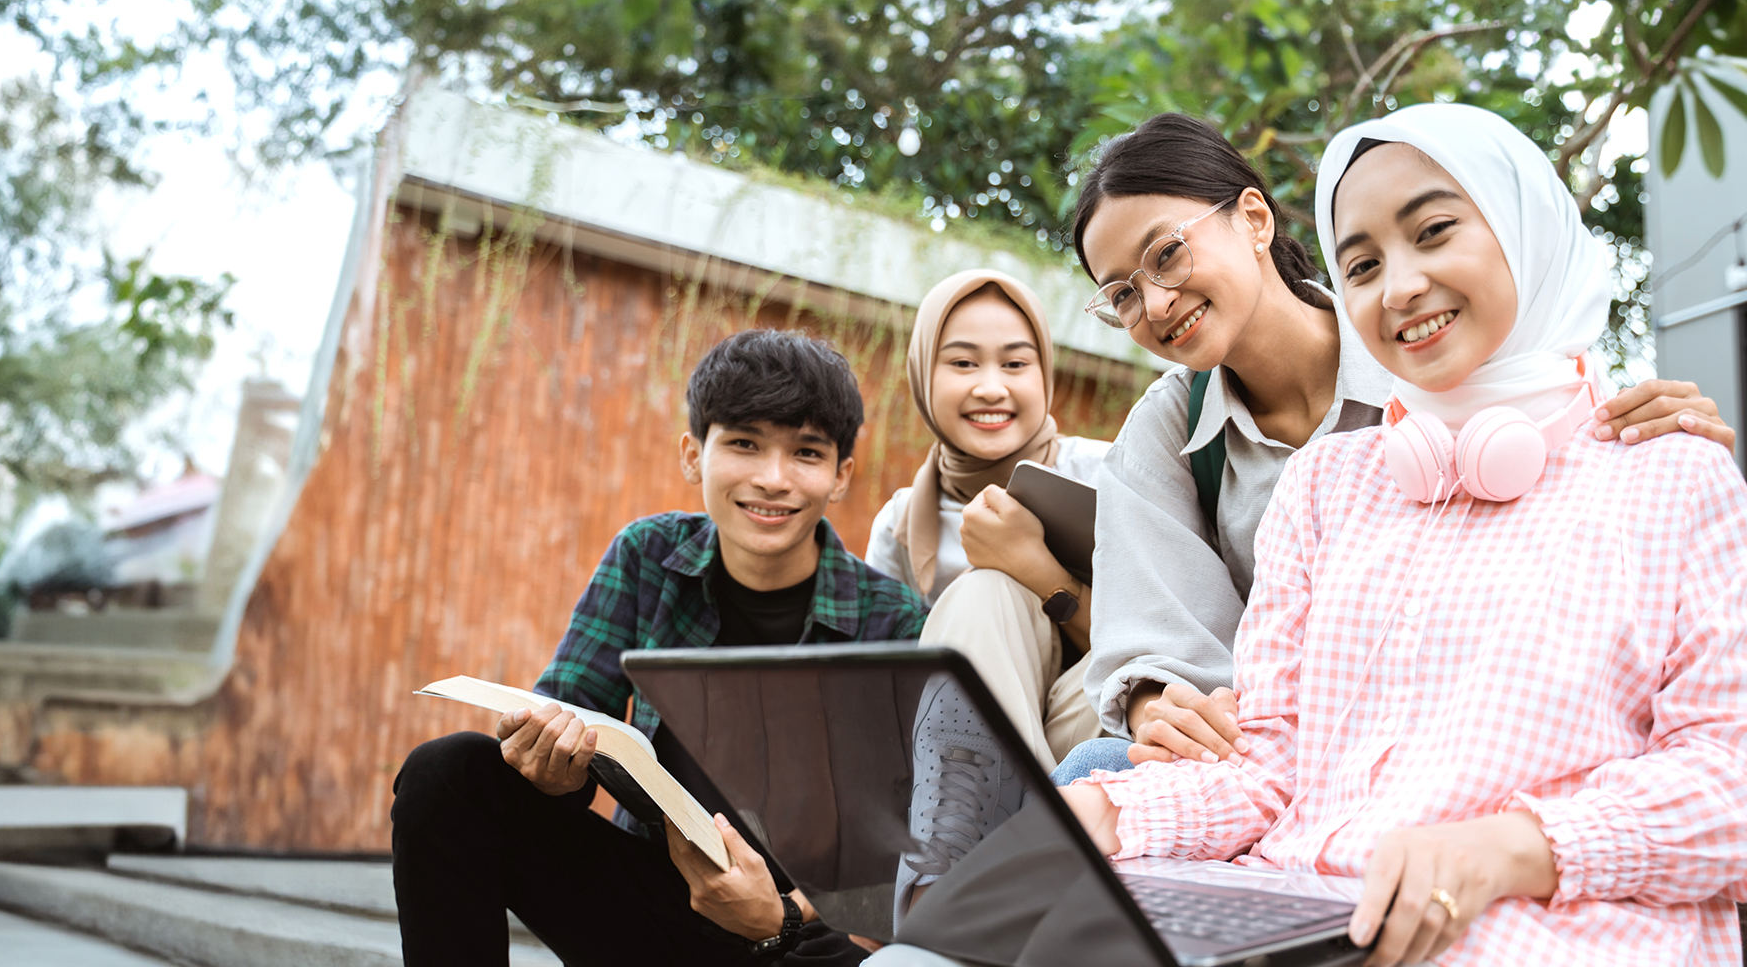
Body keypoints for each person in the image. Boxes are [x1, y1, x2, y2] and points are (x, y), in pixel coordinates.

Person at [1052, 102, 1747, 965]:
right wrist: (1117, 814)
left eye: (1435, 231)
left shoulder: (1669, 472)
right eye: (1365, 264)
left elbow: (1730, 781)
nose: (1401, 286)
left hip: (1541, 926)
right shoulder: (1322, 482)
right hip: (1306, 907)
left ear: (1525, 227)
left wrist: (1512, 849)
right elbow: (1268, 759)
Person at [390, 328, 928, 967]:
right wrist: (547, 759)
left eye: (806, 453)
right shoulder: (647, 557)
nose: (772, 478)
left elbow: (908, 847)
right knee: (447, 772)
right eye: (744, 444)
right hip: (648, 904)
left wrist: (784, 914)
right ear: (693, 455)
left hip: (793, 931)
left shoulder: (896, 622)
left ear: (840, 475)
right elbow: (567, 712)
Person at [865, 270, 1113, 771]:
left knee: (994, 590)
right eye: (962, 362)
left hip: (1092, 724)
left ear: (1044, 373)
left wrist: (1036, 569)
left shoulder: (1111, 474)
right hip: (964, 755)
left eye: (1016, 363)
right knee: (982, 597)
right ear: (921, 374)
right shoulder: (902, 523)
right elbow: (886, 691)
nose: (991, 387)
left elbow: (1163, 647)